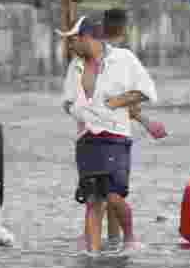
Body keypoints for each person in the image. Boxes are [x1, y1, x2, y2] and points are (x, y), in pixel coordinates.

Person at [60, 15, 158, 254]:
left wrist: (116, 102)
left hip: (116, 138)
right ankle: (92, 255)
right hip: (86, 140)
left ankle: (129, 240)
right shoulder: (75, 65)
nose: (70, 46)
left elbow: (148, 92)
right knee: (93, 199)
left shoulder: (123, 59)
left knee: (113, 197)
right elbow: (67, 102)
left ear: (87, 38)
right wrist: (79, 110)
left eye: (73, 40)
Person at [99, 7, 167, 249]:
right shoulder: (125, 58)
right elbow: (139, 95)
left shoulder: (90, 56)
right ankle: (124, 241)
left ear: (102, 26)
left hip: (90, 137)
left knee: (102, 193)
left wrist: (146, 122)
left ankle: (108, 241)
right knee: (114, 191)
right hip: (116, 136)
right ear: (125, 29)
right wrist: (148, 123)